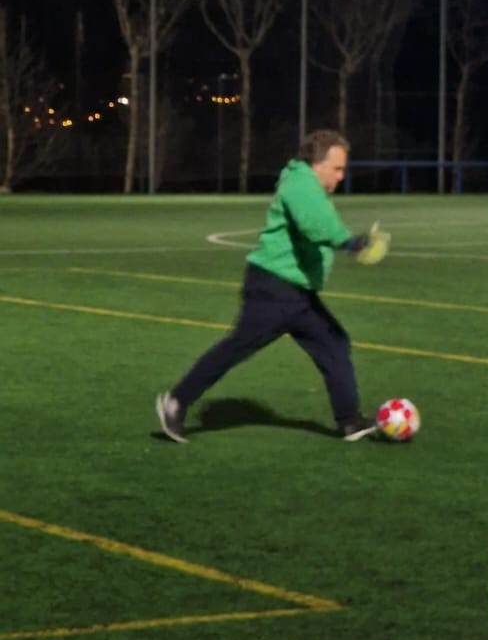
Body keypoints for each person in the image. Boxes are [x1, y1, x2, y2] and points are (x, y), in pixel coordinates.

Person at [155, 130, 390, 442]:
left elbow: (316, 223)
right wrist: (348, 241)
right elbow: (314, 223)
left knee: (333, 343)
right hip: (273, 289)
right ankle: (176, 402)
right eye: (337, 168)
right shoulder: (300, 183)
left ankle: (349, 421)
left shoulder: (308, 186)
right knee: (236, 347)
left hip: (296, 293)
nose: (341, 176)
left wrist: (348, 243)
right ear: (317, 164)